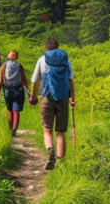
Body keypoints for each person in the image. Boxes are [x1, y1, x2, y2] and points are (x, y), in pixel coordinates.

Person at [29, 38, 75, 170]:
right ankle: (61, 162)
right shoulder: (66, 60)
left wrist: (34, 96)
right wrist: (72, 99)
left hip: (46, 97)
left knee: (47, 130)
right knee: (60, 132)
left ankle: (50, 153)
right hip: (63, 98)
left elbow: (35, 81)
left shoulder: (42, 59)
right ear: (58, 47)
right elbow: (71, 81)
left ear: (46, 47)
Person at [0, 50, 30, 136]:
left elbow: (0, 81)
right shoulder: (19, 66)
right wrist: (29, 93)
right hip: (18, 90)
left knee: (9, 110)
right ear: (16, 57)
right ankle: (14, 131)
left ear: (8, 56)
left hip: (7, 90)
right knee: (16, 110)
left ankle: (10, 130)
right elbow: (23, 80)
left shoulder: (3, 66)